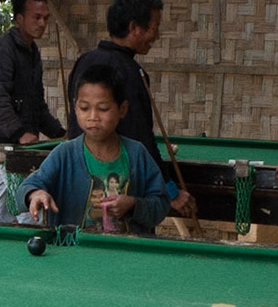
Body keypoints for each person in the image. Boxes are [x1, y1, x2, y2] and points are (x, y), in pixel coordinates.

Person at [67, 0, 198, 220]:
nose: (156, 36)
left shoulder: (83, 62)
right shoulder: (130, 73)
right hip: (123, 191)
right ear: (133, 28)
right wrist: (170, 191)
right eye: (154, 27)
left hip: (80, 186)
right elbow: (141, 140)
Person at [20, 64, 172, 235]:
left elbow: (161, 204)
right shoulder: (64, 154)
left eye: (103, 109)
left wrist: (133, 204)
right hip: (74, 255)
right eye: (84, 108)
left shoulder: (137, 153)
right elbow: (27, 187)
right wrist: (35, 194)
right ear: (75, 107)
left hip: (128, 255)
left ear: (122, 109)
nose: (93, 117)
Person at [0, 0, 67, 223]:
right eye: (36, 17)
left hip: (19, 140)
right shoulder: (4, 48)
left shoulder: (32, 51)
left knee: (6, 187)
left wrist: (58, 133)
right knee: (22, 188)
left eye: (46, 18)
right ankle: (31, 233)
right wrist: (19, 133)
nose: (42, 23)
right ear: (20, 19)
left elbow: (36, 102)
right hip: (4, 139)